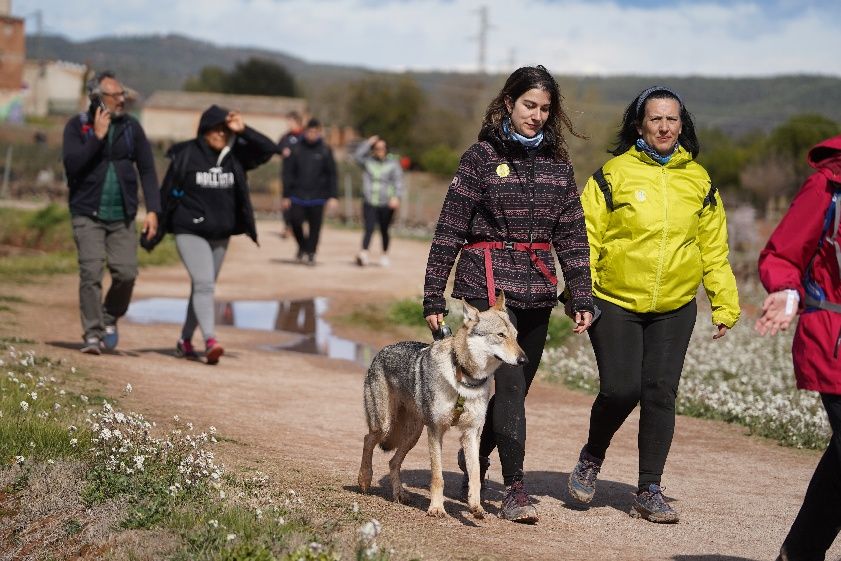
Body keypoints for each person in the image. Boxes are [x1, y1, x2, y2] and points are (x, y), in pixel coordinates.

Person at [422, 65, 594, 523]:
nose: (536, 116)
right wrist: (432, 295)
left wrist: (582, 294)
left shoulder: (559, 165)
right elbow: (450, 229)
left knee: (511, 392)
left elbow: (573, 235)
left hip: (537, 291)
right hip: (488, 288)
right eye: (528, 106)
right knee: (512, 390)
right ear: (508, 104)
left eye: (544, 109)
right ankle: (514, 490)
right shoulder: (480, 157)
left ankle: (474, 457)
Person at [565, 86, 741, 523]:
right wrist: (578, 294)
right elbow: (584, 238)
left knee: (660, 392)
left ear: (683, 125)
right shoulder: (613, 174)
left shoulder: (698, 181)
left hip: (675, 305)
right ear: (639, 123)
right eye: (656, 118)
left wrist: (724, 302)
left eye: (672, 119)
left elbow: (713, 249)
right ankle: (592, 454)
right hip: (615, 299)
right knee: (621, 389)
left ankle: (649, 488)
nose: (664, 126)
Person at [755, 134, 841, 561]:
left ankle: (800, 553)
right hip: (835, 339)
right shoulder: (830, 183)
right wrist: (787, 291)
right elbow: (783, 254)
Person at [161, 104, 276, 364]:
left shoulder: (234, 155)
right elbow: (167, 189)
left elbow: (269, 149)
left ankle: (185, 340)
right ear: (203, 130)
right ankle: (210, 340)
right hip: (188, 229)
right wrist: (156, 219)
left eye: (225, 130)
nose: (220, 135)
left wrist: (243, 129)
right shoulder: (186, 154)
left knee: (202, 287)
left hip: (220, 234)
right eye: (215, 129)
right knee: (204, 285)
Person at [61, 70, 160, 355]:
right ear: (98, 98)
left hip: (123, 215)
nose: (122, 99)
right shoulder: (77, 127)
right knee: (91, 273)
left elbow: (148, 170)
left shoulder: (132, 128)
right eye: (115, 95)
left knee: (126, 273)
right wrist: (97, 137)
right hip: (86, 213)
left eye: (122, 94)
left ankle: (108, 318)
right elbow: (72, 166)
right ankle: (92, 334)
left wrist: (153, 210)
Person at [281, 118, 338, 266]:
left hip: (318, 196)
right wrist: (286, 195)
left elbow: (332, 174)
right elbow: (287, 173)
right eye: (309, 131)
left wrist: (333, 196)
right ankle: (302, 246)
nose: (312, 134)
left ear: (319, 133)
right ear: (305, 132)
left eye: (315, 131)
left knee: (315, 227)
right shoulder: (297, 149)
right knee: (295, 222)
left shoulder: (325, 150)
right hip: (297, 194)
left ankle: (311, 252)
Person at [352, 134, 403, 267]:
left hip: (387, 202)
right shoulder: (368, 161)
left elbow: (398, 182)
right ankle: (363, 254)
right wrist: (368, 143)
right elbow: (357, 156)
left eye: (382, 148)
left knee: (384, 230)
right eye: (377, 148)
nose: (380, 150)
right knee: (368, 228)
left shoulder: (393, 164)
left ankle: (384, 255)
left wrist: (396, 197)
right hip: (370, 201)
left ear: (386, 149)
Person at [277, 111, 304, 238]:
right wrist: (281, 151)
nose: (288, 124)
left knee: (298, 201)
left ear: (297, 122)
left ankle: (297, 225)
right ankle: (287, 226)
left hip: (301, 176)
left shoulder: (304, 137)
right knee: (286, 201)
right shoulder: (285, 137)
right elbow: (277, 149)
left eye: (290, 122)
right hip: (287, 174)